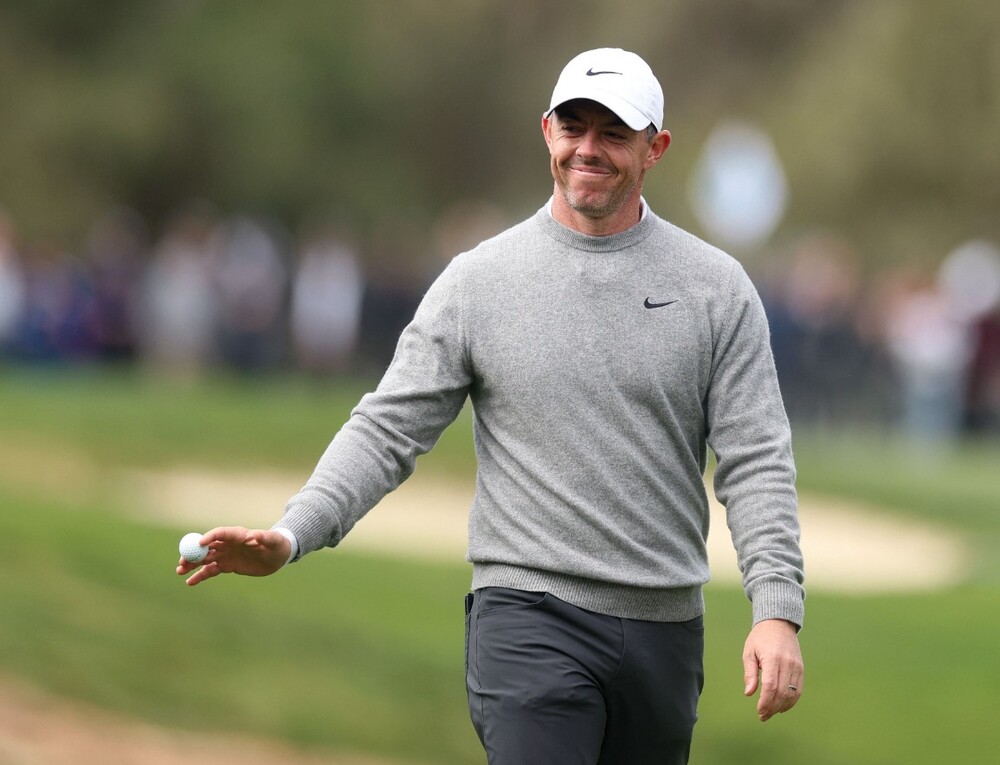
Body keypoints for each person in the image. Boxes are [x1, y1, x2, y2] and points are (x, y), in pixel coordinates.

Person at [177, 47, 805, 764]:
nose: (588, 150)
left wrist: (777, 609)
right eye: (574, 128)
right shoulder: (479, 281)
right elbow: (387, 429)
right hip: (529, 616)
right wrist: (292, 535)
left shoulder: (715, 288)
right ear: (547, 132)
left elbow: (755, 459)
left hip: (665, 630)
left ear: (655, 147)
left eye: (614, 133)